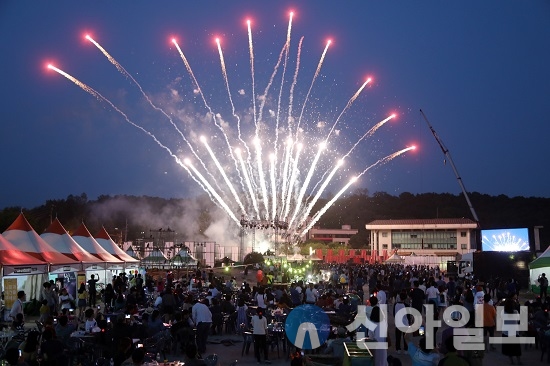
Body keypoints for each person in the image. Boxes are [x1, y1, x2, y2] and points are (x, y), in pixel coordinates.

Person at [501, 298, 522, 365]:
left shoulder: (503, 312)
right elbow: (518, 321)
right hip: (514, 332)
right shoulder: (515, 312)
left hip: (506, 332)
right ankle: (518, 361)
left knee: (508, 348)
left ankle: (511, 361)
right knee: (516, 348)